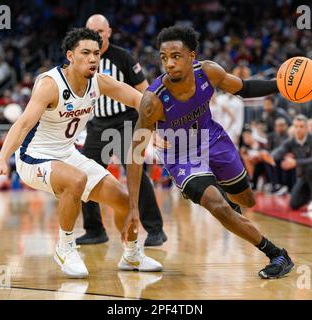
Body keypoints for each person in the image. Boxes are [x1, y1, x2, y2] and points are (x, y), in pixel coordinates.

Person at [0, 28, 162, 278]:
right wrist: (2, 159)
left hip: (66, 154)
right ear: (70, 56)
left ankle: (131, 254)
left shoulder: (99, 82)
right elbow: (22, 124)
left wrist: (158, 125)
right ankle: (65, 247)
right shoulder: (50, 84)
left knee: (122, 199)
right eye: (85, 53)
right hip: (34, 156)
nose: (92, 59)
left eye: (96, 54)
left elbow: (139, 99)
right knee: (76, 180)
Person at [124, 26, 294, 279]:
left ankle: (223, 200)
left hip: (214, 139)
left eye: (176, 56)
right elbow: (135, 155)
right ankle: (277, 254)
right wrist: (133, 207)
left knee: (247, 201)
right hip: (181, 156)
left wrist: (280, 85)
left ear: (191, 56)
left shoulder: (208, 72)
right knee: (218, 205)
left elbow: (244, 88)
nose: (169, 63)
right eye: (163, 57)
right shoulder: (153, 101)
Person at [76, 14, 167, 247]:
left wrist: (153, 125)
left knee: (137, 174)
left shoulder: (123, 57)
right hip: (97, 125)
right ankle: (95, 230)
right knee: (84, 175)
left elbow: (144, 92)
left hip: (126, 122)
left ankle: (155, 229)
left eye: (100, 30)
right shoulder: (81, 58)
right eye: (91, 30)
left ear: (109, 32)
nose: (96, 34)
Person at [271, 115, 312, 210]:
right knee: (294, 204)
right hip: (304, 177)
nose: (298, 129)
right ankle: (311, 193)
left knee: (311, 168)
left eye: (301, 126)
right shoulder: (291, 141)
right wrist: (268, 156)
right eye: (296, 126)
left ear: (307, 128)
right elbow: (279, 152)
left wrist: (295, 162)